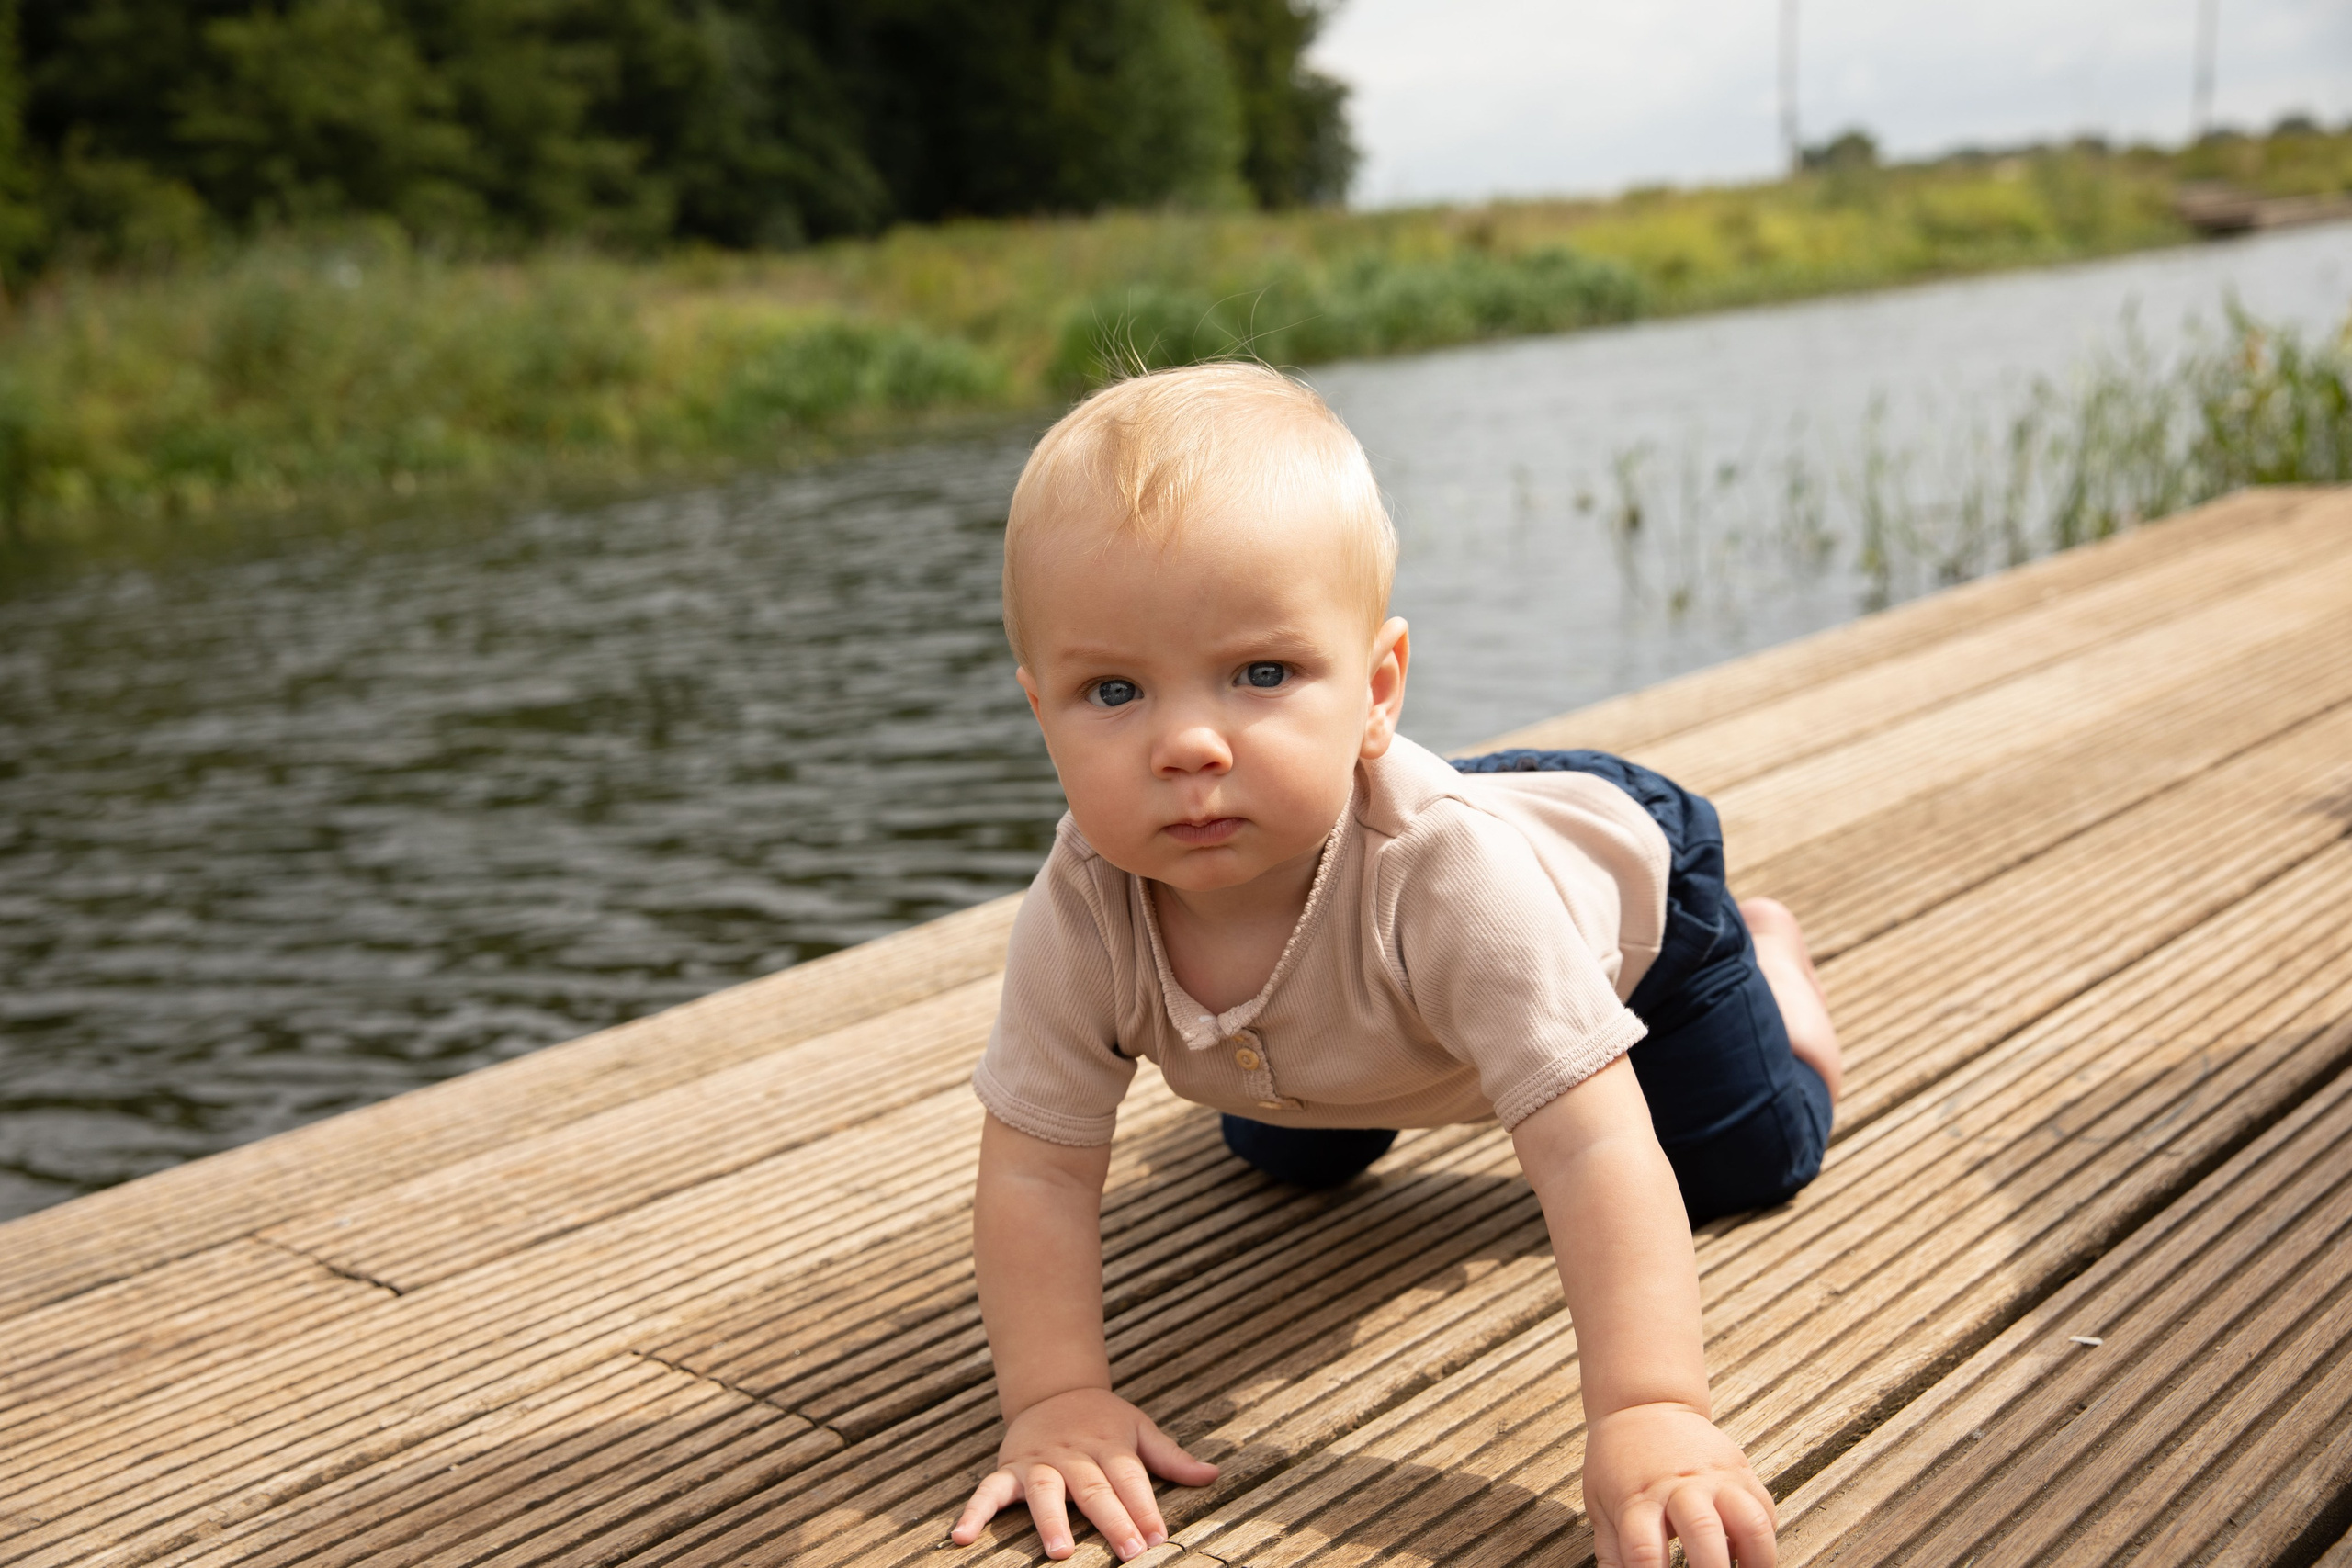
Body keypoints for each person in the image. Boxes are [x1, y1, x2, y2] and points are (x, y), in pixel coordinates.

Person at [948, 362, 1841, 1568]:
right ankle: (1330, 1069)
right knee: (1282, 1159)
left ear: (1375, 692)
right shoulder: (1083, 903)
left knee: (1743, 1161)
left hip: (1629, 920)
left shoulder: (1452, 879)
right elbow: (1040, 1173)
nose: (1189, 743)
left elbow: (1588, 1147)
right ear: (1039, 711)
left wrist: (1651, 1413)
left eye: (1261, 674)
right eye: (1112, 690)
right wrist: (1053, 1402)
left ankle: (1775, 970)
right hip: (1332, 1032)